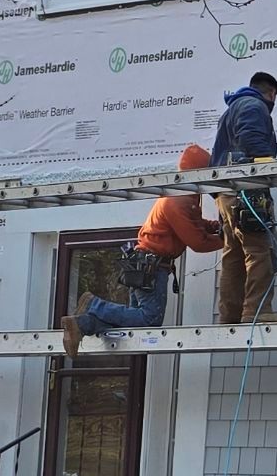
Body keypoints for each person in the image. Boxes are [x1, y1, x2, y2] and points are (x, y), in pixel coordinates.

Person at [60, 145, 226, 356]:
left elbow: (194, 223)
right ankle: (94, 304)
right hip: (151, 267)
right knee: (150, 320)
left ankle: (82, 325)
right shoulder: (177, 200)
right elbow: (198, 242)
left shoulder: (182, 195)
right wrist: (228, 239)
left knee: (133, 322)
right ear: (199, 171)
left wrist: (213, 227)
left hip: (145, 264)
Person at [209, 70, 277, 325]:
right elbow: (251, 139)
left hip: (226, 193)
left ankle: (229, 316)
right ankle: (257, 311)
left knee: (234, 254)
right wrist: (272, 171)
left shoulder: (231, 110)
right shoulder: (254, 105)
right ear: (271, 93)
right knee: (260, 249)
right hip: (246, 190)